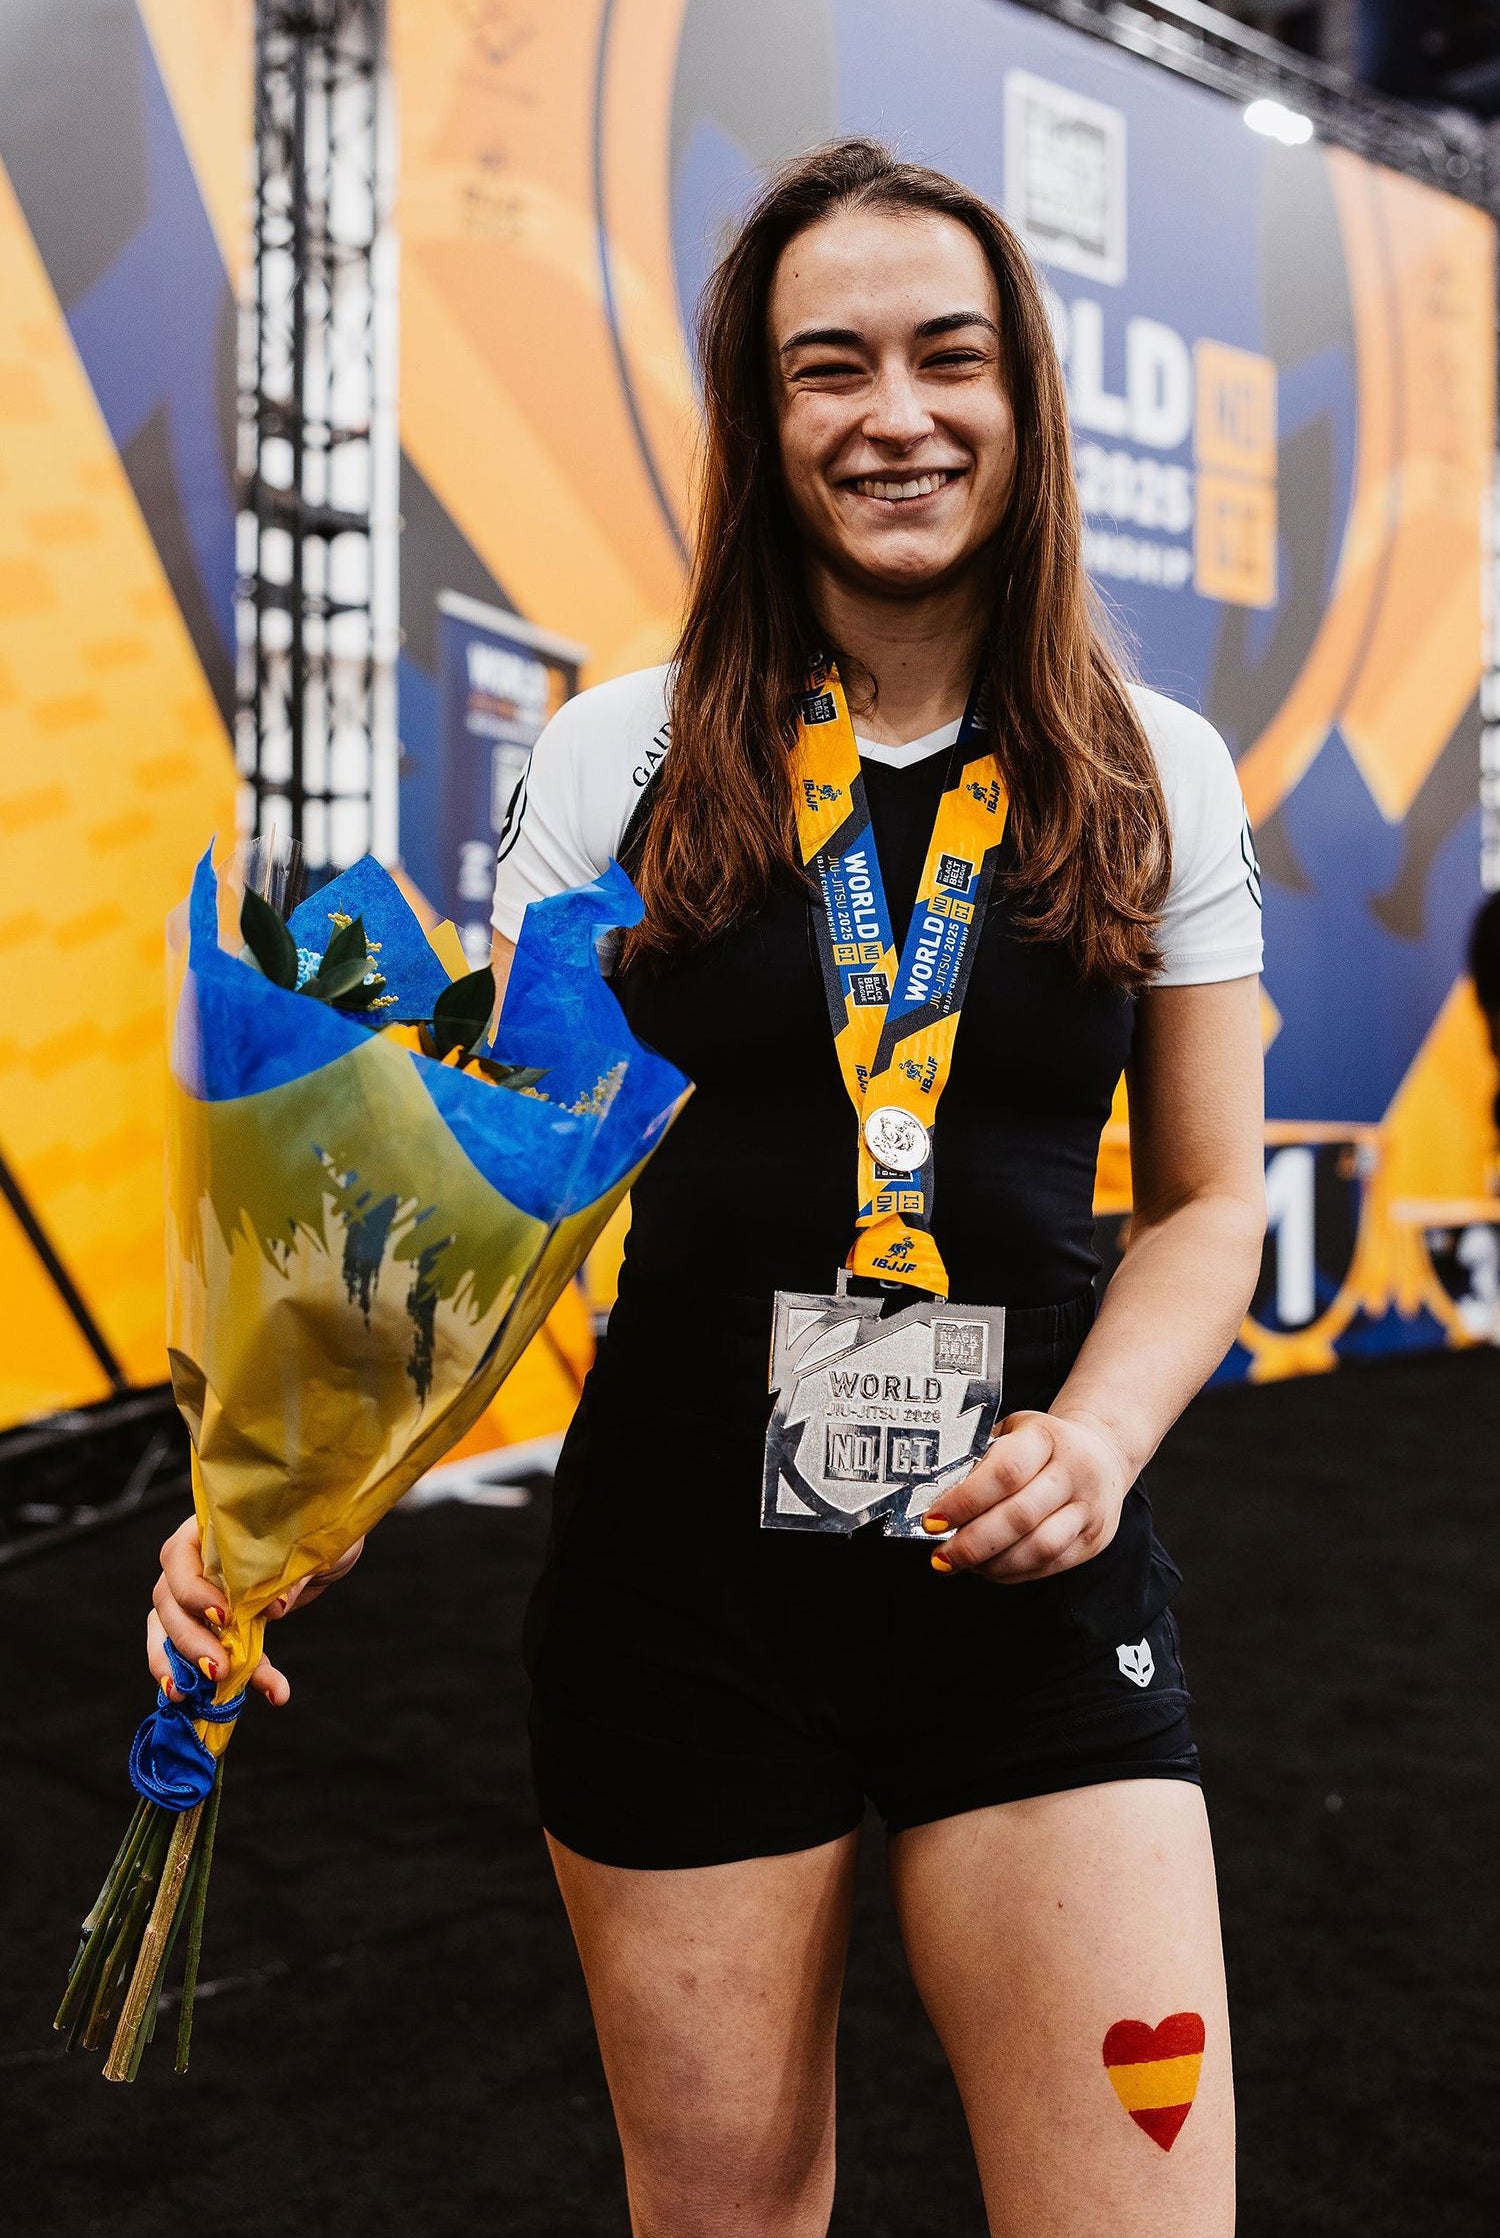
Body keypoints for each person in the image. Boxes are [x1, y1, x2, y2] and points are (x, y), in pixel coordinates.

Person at [148, 140, 1264, 2238]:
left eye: (948, 356)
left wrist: (1103, 1444)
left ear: (1024, 394)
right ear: (762, 419)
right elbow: (490, 1209)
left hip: (1030, 1568)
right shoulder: (617, 758)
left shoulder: (1153, 762)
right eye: (828, 367)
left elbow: (1210, 1198)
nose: (895, 415)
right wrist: (290, 1499)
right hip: (680, 1589)